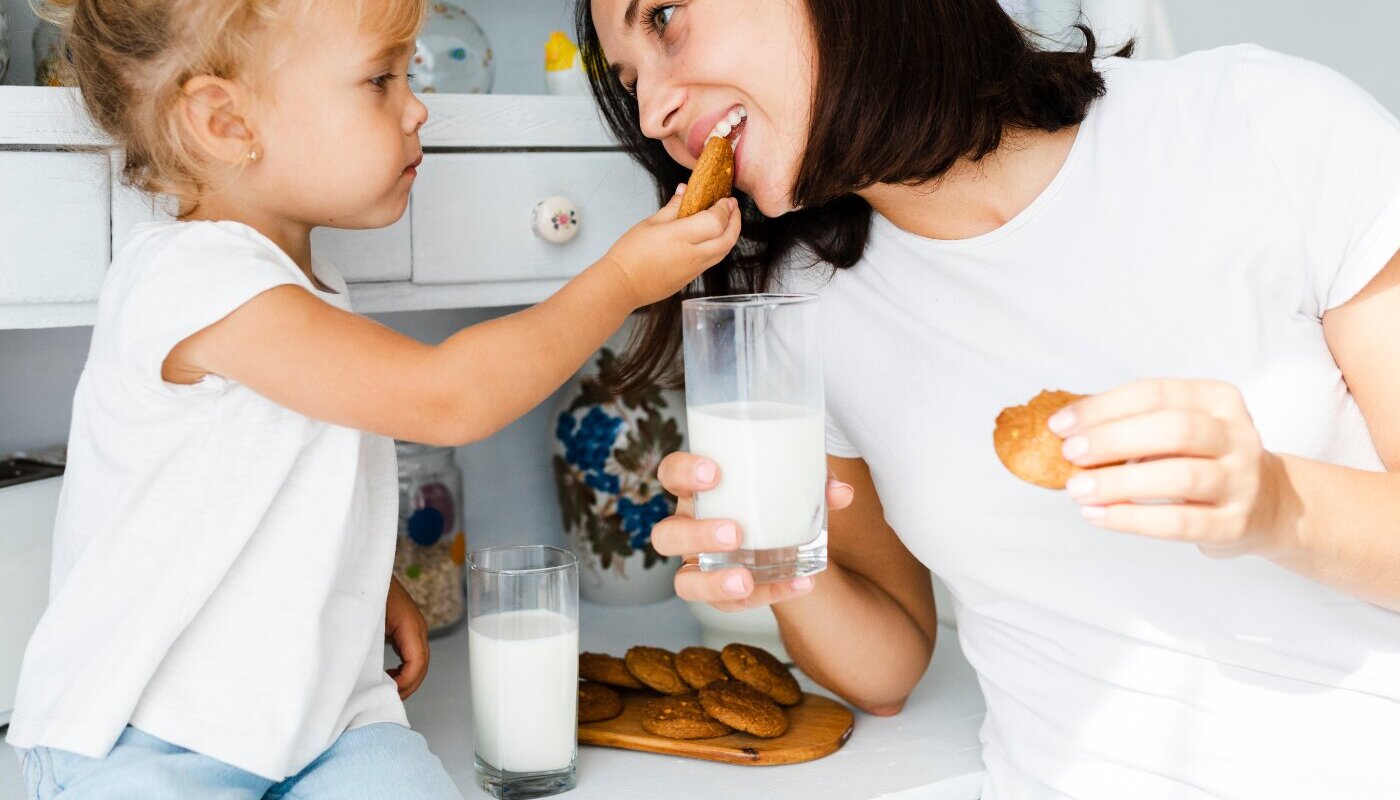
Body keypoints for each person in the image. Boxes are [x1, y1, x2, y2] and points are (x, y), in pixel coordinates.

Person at [579, 0, 1400, 797]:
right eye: (627, 76)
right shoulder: (808, 299)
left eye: (663, 17)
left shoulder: (1264, 122)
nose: (650, 110)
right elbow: (889, 665)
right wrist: (776, 565)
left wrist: (1277, 503)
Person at [6, 0, 740, 797]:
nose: (417, 104)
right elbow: (446, 397)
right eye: (380, 79)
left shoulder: (309, 290)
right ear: (225, 121)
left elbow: (257, 488)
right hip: (144, 734)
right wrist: (622, 280)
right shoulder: (188, 280)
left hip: (321, 724)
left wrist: (356, 582)